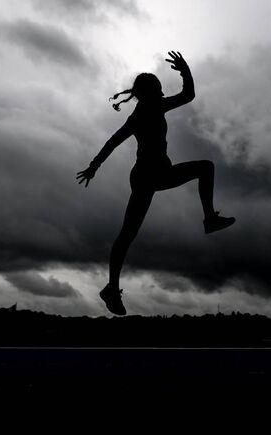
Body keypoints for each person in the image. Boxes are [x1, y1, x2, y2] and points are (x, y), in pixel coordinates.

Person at [76, 51, 235, 316]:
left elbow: (114, 140)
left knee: (205, 169)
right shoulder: (149, 109)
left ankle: (210, 220)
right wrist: (185, 70)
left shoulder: (143, 110)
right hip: (148, 176)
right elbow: (187, 96)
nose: (162, 95)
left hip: (157, 173)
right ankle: (111, 289)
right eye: (159, 91)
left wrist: (95, 166)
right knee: (128, 234)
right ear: (151, 93)